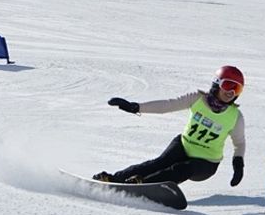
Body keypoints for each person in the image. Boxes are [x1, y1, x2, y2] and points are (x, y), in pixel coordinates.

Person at [93, 65, 247, 187]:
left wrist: (238, 164)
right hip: (183, 145)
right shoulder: (197, 99)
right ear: (217, 84)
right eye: (228, 85)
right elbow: (167, 105)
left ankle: (143, 184)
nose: (232, 92)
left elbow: (239, 143)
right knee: (158, 164)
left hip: (206, 163)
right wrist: (136, 107)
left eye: (237, 89)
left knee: (183, 169)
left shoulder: (235, 117)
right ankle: (114, 179)